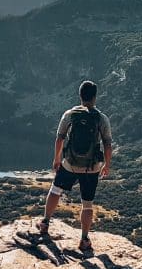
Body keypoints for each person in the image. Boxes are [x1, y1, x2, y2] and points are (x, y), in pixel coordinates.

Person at [38, 80, 112, 252]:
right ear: (94, 97)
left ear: (80, 95)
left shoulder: (70, 114)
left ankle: (45, 222)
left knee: (56, 189)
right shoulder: (101, 118)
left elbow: (60, 138)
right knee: (87, 204)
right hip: (92, 167)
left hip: (70, 164)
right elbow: (107, 144)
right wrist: (107, 165)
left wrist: (57, 159)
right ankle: (84, 239)